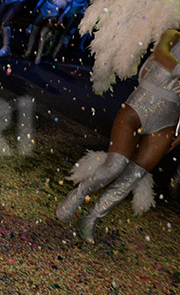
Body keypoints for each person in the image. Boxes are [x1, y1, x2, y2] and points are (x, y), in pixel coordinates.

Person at [58, 29, 180, 243]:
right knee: (114, 167)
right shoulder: (173, 34)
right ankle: (78, 195)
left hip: (168, 123)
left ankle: (91, 218)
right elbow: (161, 54)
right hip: (138, 108)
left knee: (131, 178)